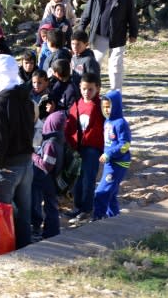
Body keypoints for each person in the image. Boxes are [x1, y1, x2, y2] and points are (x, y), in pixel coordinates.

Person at [0, 54, 35, 249]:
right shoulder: (25, 98)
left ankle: (7, 254)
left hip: (7, 170)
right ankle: (26, 250)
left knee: (3, 217)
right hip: (26, 165)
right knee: (24, 216)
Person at [77, 0, 138, 91]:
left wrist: (133, 33)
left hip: (118, 36)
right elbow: (87, 13)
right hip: (99, 35)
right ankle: (91, 89)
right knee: (94, 63)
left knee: (115, 66)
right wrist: (80, 30)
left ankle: (116, 93)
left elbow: (132, 15)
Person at [64, 72, 105, 224]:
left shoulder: (101, 106)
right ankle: (77, 207)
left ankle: (86, 209)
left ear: (98, 89)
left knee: (88, 179)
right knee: (78, 179)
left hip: (92, 149)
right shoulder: (78, 104)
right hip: (78, 147)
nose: (86, 93)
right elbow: (70, 125)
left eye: (90, 90)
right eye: (83, 89)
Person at [93, 90, 132, 220]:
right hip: (110, 162)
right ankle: (114, 217)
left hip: (118, 163)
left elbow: (125, 145)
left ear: (116, 106)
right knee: (111, 193)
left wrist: (109, 154)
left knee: (101, 192)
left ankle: (98, 218)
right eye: (104, 107)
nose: (106, 110)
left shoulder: (120, 123)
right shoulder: (107, 122)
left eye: (109, 106)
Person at [31, 111, 66, 240]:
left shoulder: (51, 143)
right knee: (51, 205)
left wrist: (33, 155)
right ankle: (51, 231)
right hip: (52, 179)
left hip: (47, 179)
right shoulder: (59, 138)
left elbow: (46, 165)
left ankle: (51, 233)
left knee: (50, 206)